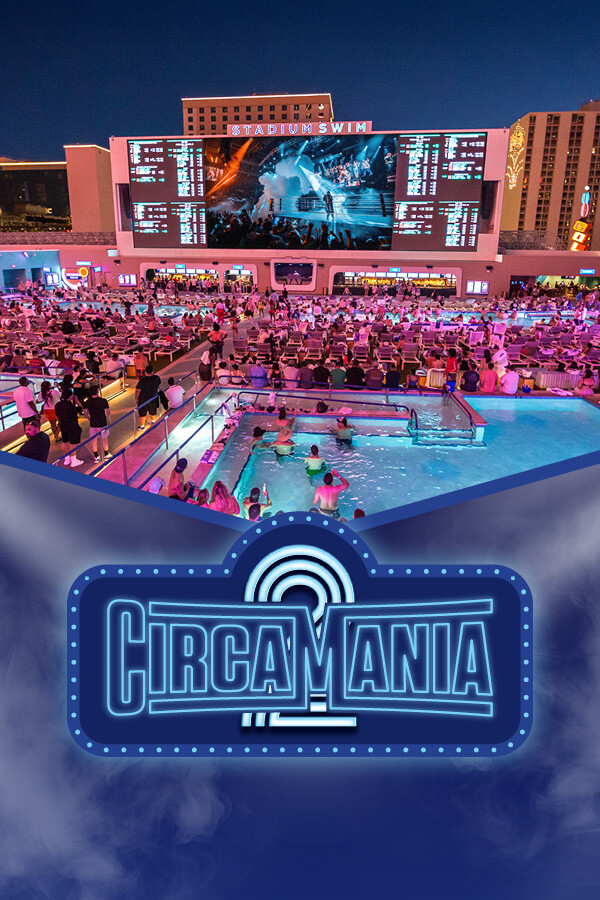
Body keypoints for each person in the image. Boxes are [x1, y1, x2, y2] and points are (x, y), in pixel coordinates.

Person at [54, 388, 84, 467]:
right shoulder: (71, 406)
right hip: (72, 426)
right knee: (72, 443)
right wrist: (76, 400)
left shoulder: (58, 405)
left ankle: (67, 459)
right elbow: (80, 407)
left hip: (63, 425)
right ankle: (74, 460)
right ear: (70, 396)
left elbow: (57, 414)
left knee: (65, 442)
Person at [85, 385, 112, 462]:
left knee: (94, 440)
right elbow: (108, 412)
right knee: (104, 439)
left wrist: (90, 420)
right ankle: (106, 454)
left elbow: (86, 413)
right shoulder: (103, 401)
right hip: (102, 423)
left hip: (93, 424)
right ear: (97, 391)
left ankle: (96, 455)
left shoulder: (87, 402)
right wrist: (109, 421)